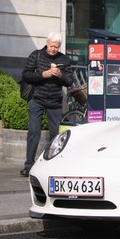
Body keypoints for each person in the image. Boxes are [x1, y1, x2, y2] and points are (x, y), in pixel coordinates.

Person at [19, 32, 74, 177]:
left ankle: (52, 165)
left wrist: (60, 75)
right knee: (33, 132)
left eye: (56, 47)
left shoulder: (64, 59)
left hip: (55, 101)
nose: (53, 49)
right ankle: (29, 165)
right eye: (51, 46)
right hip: (36, 99)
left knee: (56, 135)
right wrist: (44, 74)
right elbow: (26, 75)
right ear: (47, 43)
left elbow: (69, 81)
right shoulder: (36, 55)